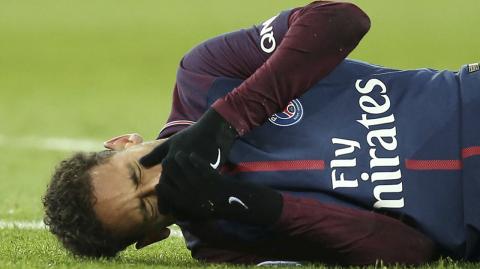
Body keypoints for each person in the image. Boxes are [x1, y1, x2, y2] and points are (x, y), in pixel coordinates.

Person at [43, 0, 480, 265]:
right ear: (152, 237)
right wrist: (251, 205)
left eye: (137, 174)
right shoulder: (224, 243)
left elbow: (342, 19)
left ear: (124, 142)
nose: (159, 182)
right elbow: (408, 252)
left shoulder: (204, 76)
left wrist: (223, 120)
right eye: (148, 208)